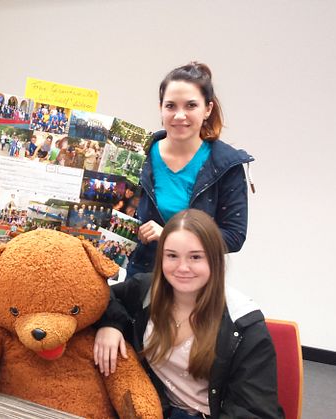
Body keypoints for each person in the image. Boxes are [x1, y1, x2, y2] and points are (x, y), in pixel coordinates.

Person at [94, 210, 281, 418]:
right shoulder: (147, 289)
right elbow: (100, 295)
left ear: (214, 260)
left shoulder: (244, 325)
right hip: (157, 408)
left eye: (195, 257)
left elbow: (253, 411)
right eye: (172, 256)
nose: (183, 267)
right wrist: (111, 324)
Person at [127, 62, 253, 279]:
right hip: (141, 282)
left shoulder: (226, 165)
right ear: (161, 108)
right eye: (171, 106)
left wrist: (170, 235)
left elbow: (233, 237)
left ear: (208, 109)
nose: (179, 115)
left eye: (191, 106)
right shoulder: (138, 154)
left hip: (195, 285)